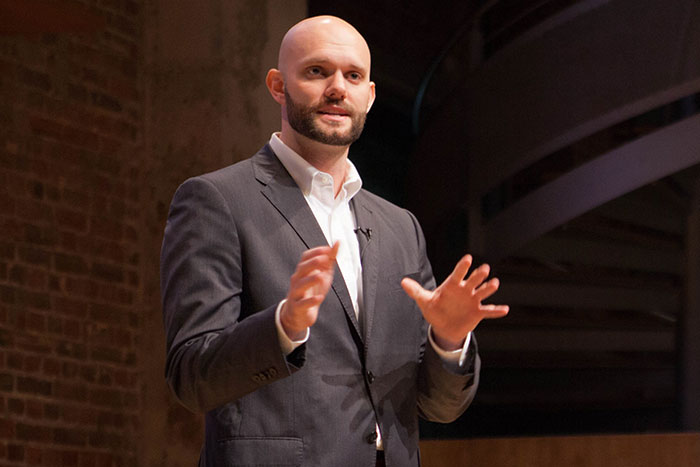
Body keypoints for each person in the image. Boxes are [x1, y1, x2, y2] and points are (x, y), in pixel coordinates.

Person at [160, 15, 508, 467]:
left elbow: (439, 406)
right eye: (317, 71)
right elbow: (191, 377)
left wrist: (448, 338)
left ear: (370, 95)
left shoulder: (400, 226)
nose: (338, 88)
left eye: (354, 75)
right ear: (278, 85)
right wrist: (284, 325)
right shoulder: (218, 200)